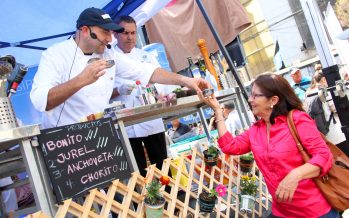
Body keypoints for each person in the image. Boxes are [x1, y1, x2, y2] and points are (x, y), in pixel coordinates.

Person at [30, 7, 209, 129]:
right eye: (104, 32)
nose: (109, 39)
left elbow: (146, 71)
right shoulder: (55, 55)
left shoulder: (108, 54)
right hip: (67, 139)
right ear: (85, 30)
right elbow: (40, 101)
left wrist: (186, 80)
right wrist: (80, 80)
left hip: (104, 131)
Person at [198, 73, 338, 217]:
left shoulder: (297, 119)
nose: (249, 99)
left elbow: (323, 156)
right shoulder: (256, 130)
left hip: (314, 211)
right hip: (282, 212)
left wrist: (295, 175)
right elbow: (230, 146)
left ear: (273, 100)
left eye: (255, 96)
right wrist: (217, 111)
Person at [111, 15, 169, 177]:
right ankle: (141, 202)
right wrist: (118, 90)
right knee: (137, 173)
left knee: (162, 167)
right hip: (126, 126)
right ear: (115, 34)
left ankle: (170, 200)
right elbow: (100, 94)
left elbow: (160, 81)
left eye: (133, 33)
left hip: (151, 120)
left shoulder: (145, 56)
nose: (130, 37)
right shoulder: (109, 59)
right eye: (125, 33)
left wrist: (162, 94)